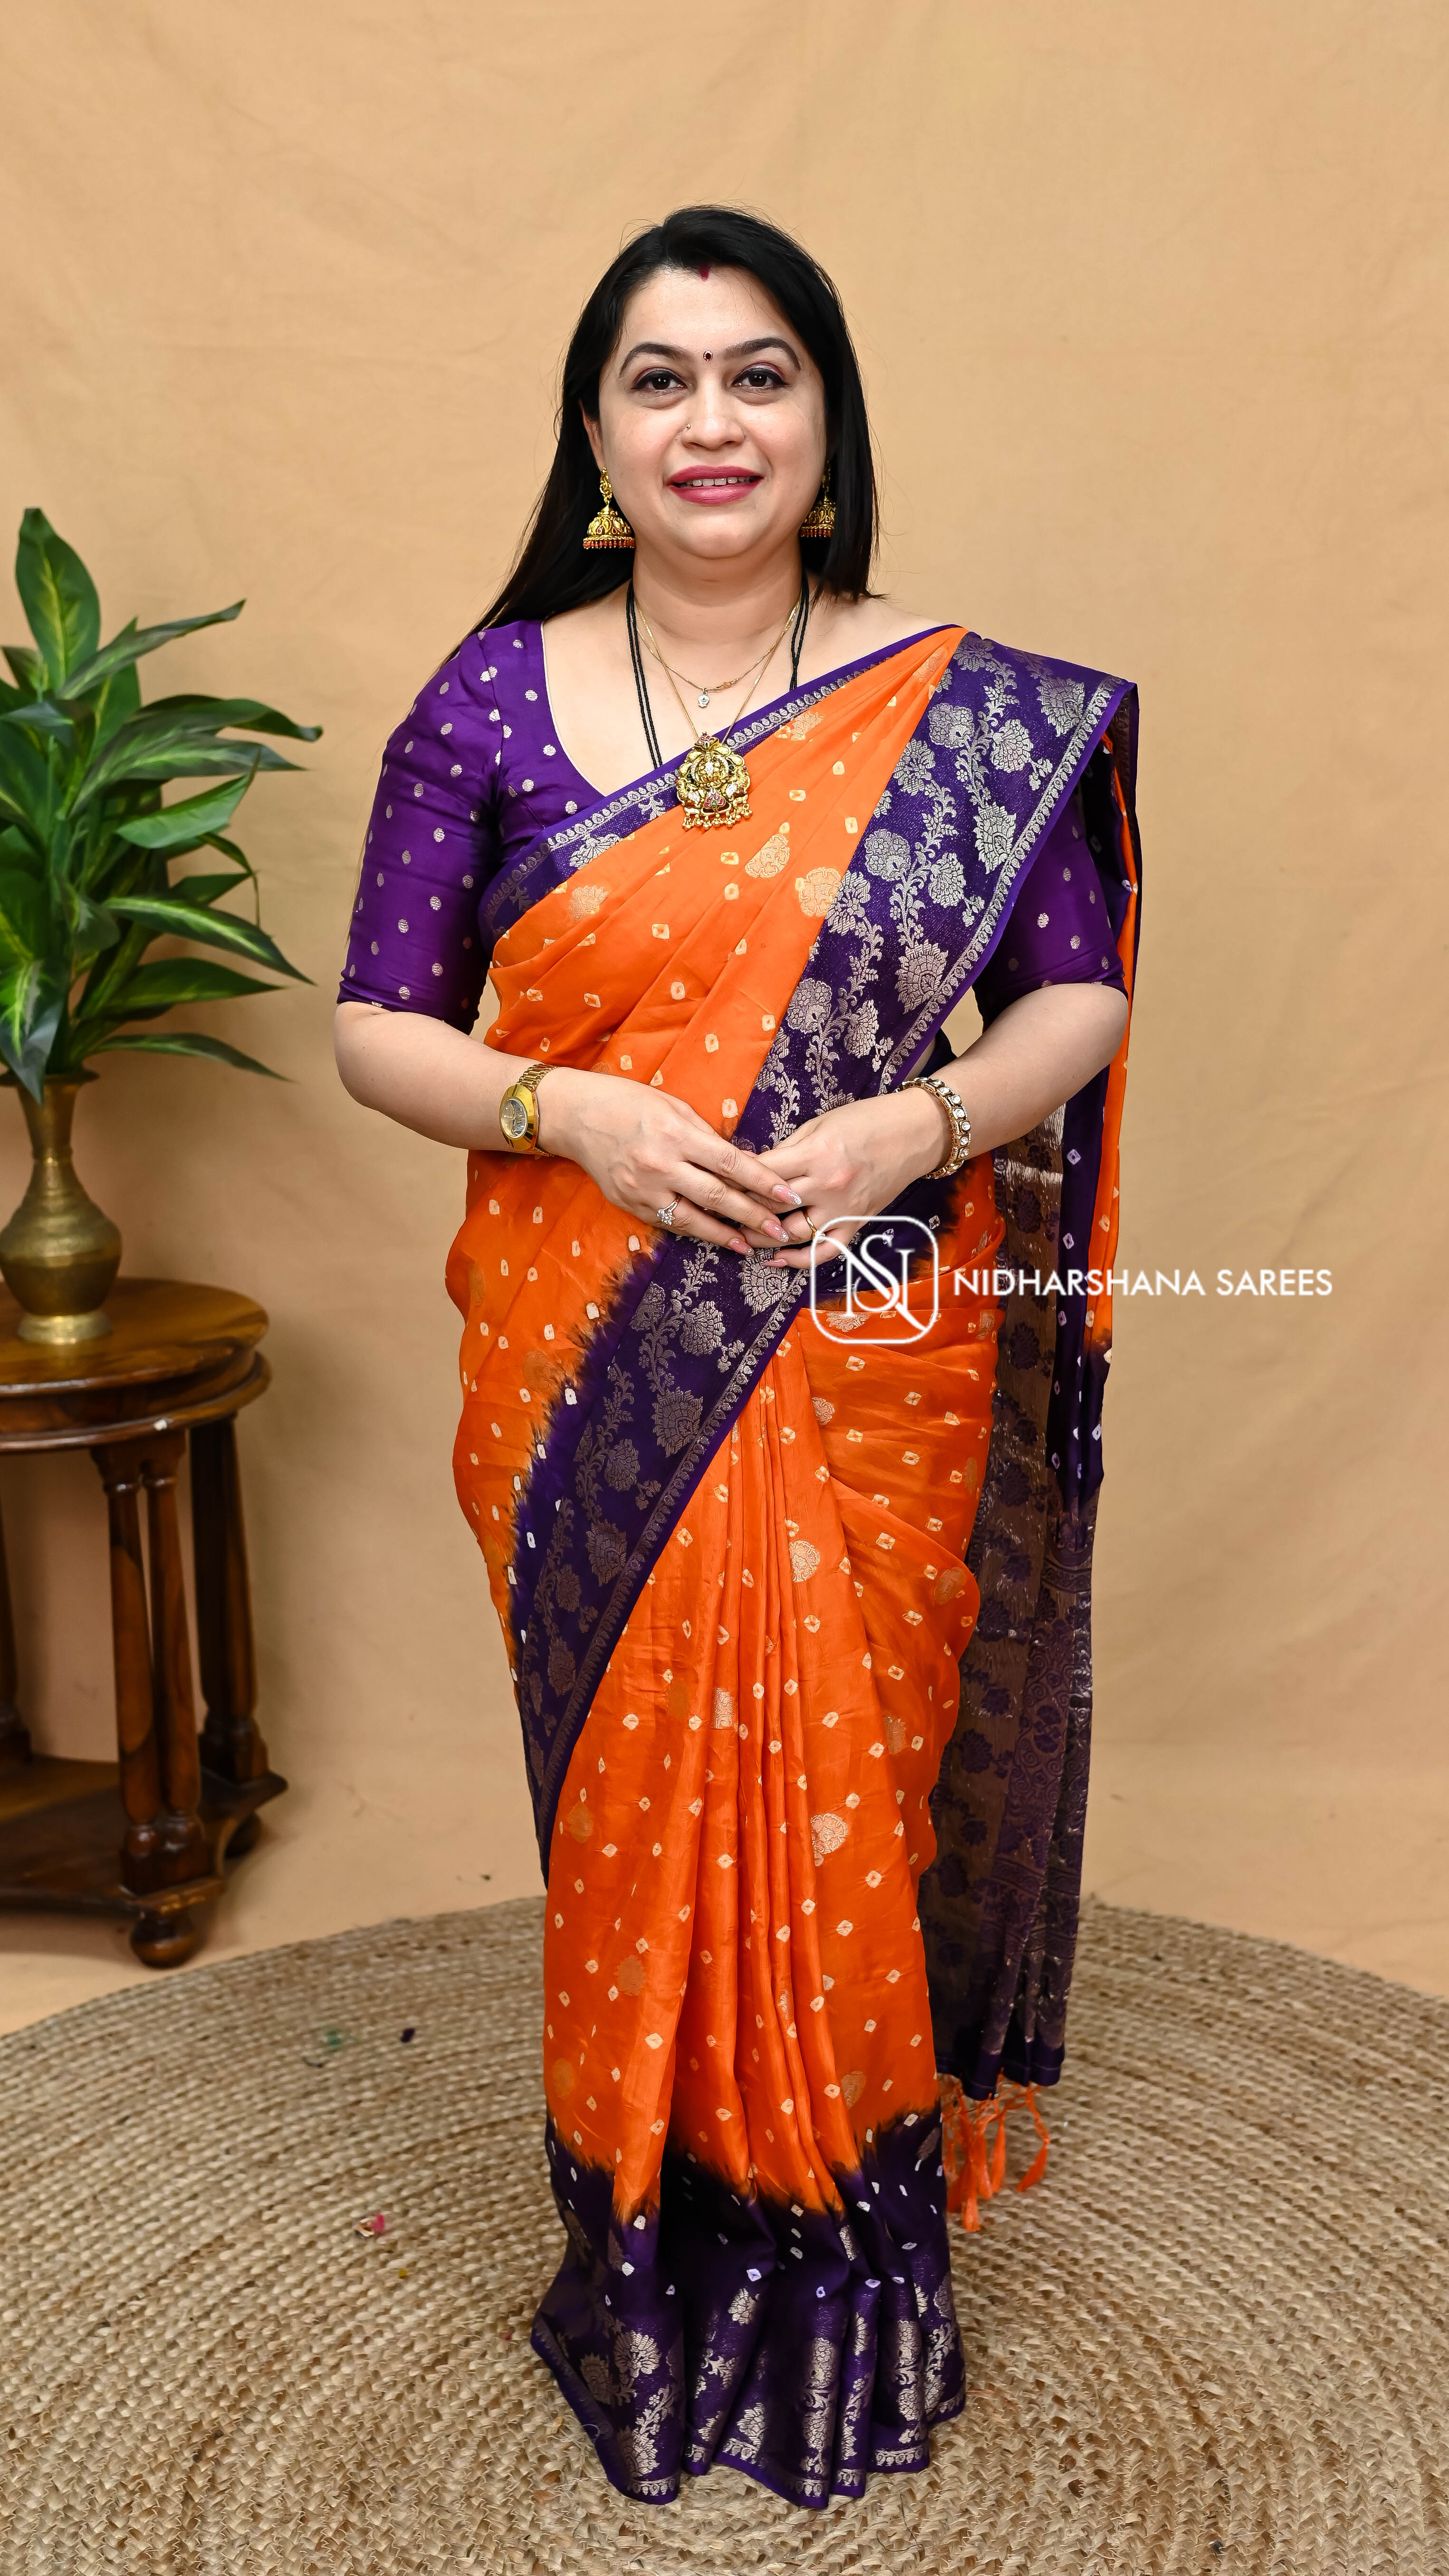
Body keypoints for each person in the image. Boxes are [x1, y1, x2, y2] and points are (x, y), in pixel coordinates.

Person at [335, 205, 1140, 2511]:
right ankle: (650, 2247)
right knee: (637, 1798)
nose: (712, 421)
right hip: (584, 1338)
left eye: (758, 373)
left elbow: (1076, 994)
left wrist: (917, 1122)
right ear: (594, 438)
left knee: (852, 1761)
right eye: (660, 378)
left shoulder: (965, 709)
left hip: (870, 1323)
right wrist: (567, 1109)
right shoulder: (491, 701)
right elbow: (379, 1021)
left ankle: (847, 2265)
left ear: (826, 421)